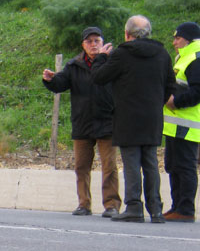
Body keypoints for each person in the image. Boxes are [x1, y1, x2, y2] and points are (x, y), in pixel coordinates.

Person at [91, 15, 175, 223]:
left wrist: (101, 57)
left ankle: (134, 207)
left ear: (127, 34)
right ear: (149, 33)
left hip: (128, 117)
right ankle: (156, 209)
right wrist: (156, 104)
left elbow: (98, 77)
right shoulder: (163, 54)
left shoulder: (122, 54)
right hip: (153, 117)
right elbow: (170, 86)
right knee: (151, 163)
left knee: (131, 163)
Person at [42, 27, 121, 217]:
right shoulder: (74, 65)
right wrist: (50, 79)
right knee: (81, 167)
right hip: (82, 122)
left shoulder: (113, 63)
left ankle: (111, 205)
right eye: (89, 41)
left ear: (103, 43)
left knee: (109, 166)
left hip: (107, 122)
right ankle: (84, 204)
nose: (93, 45)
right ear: (83, 45)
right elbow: (61, 83)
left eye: (97, 41)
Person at [163, 21, 200, 222]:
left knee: (185, 167)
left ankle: (185, 209)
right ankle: (177, 206)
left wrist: (175, 102)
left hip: (188, 124)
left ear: (189, 39)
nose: (174, 42)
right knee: (173, 165)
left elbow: (197, 92)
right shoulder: (184, 58)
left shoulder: (196, 59)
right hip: (175, 125)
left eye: (178, 38)